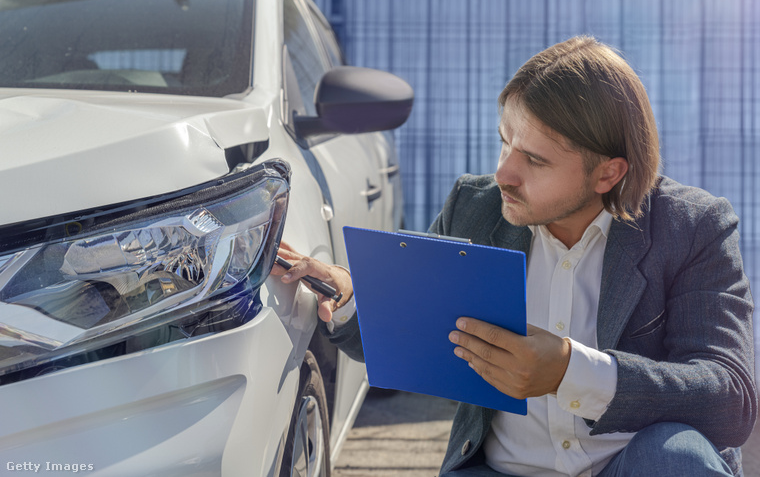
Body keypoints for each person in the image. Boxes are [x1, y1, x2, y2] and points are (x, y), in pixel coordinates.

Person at [271, 36, 757, 476]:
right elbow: (413, 335)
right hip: (504, 469)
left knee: (677, 458)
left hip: (634, 466)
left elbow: (730, 400)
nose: (504, 173)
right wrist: (354, 295)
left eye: (535, 159)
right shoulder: (474, 209)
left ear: (607, 174)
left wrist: (572, 371)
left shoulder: (692, 227)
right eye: (505, 142)